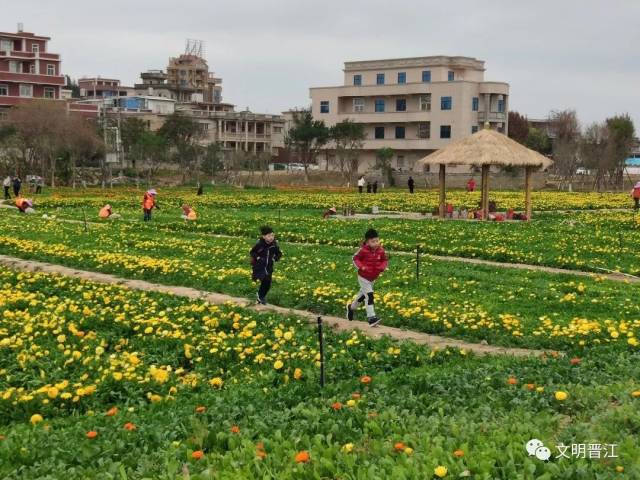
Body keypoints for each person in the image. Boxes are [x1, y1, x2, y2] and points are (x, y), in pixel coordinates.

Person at [347, 228, 388, 327]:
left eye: (377, 241)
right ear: (367, 242)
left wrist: (382, 267)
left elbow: (385, 260)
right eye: (373, 241)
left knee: (362, 296)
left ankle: (351, 308)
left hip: (373, 278)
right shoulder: (363, 250)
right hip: (363, 277)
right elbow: (355, 258)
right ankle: (371, 318)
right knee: (369, 295)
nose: (376, 243)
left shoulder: (381, 250)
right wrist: (362, 267)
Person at [250, 225, 282, 305]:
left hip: (269, 267)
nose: (271, 237)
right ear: (264, 236)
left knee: (268, 283)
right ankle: (260, 296)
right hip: (259, 266)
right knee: (265, 279)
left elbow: (279, 254)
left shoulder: (274, 245)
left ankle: (261, 296)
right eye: (269, 236)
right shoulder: (260, 244)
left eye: (272, 235)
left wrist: (275, 258)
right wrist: (257, 258)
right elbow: (252, 252)